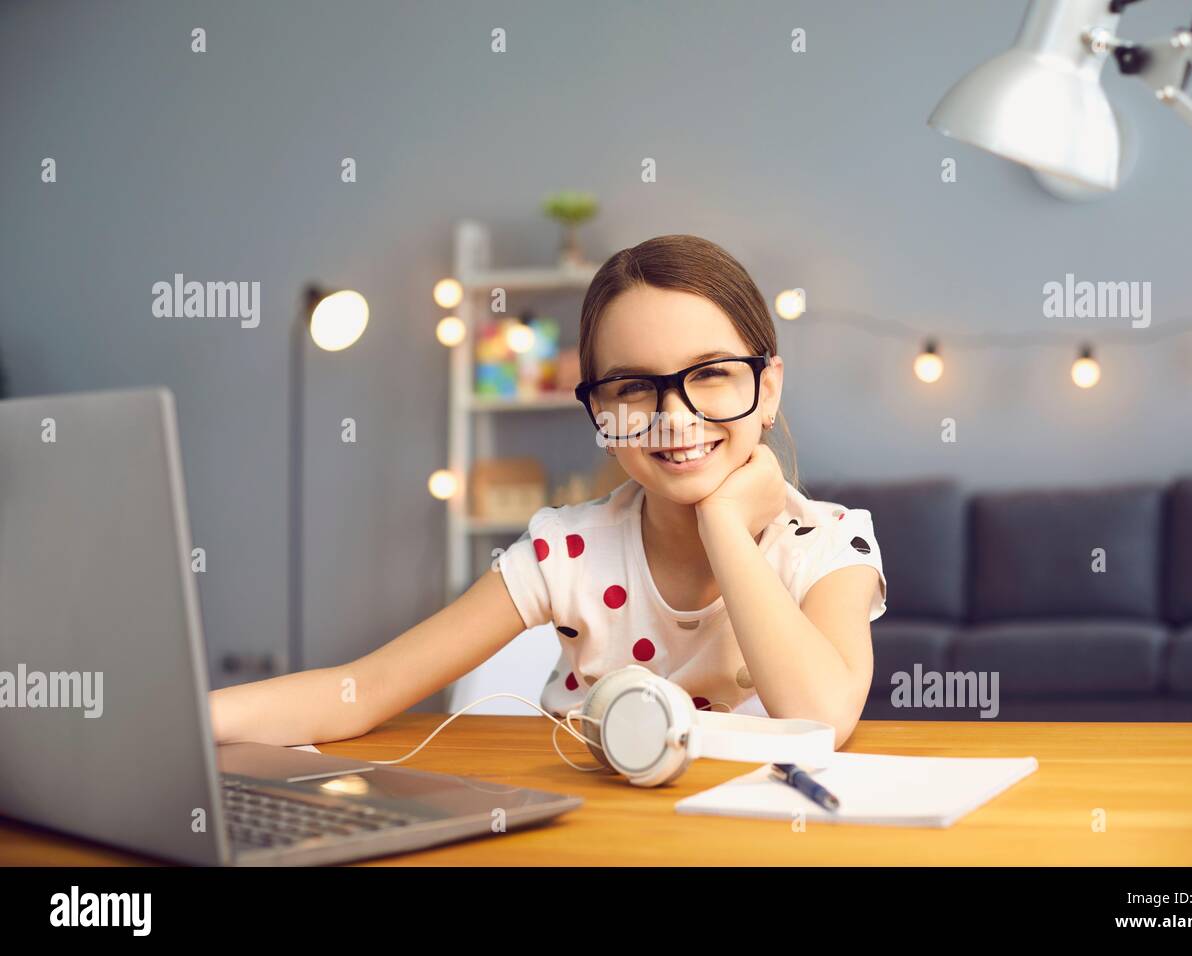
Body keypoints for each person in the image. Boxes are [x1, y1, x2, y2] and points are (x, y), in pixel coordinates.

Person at [209, 234, 887, 752]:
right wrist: (186, 721)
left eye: (709, 374)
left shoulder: (830, 543)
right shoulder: (567, 551)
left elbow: (821, 719)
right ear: (599, 412)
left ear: (766, 389)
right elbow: (366, 690)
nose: (674, 416)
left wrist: (725, 529)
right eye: (631, 387)